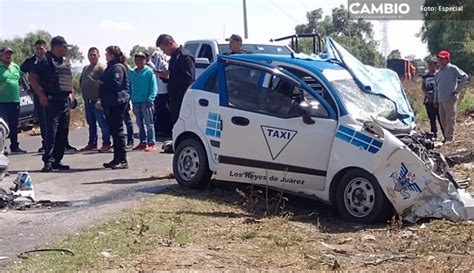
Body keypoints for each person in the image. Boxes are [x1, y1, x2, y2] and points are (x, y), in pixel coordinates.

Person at [29, 36, 75, 172]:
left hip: (63, 102)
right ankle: (48, 162)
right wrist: (41, 95)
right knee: (51, 133)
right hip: (50, 102)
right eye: (64, 47)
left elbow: (68, 79)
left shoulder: (64, 62)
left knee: (63, 133)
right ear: (56, 47)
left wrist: (71, 94)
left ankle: (57, 161)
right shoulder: (44, 61)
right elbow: (32, 78)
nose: (66, 49)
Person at [100, 46, 130, 169]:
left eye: (107, 53)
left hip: (117, 102)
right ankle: (116, 158)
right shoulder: (111, 67)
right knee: (114, 131)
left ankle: (122, 160)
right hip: (110, 102)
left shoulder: (117, 67)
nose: (105, 55)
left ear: (112, 54)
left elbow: (115, 84)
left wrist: (101, 83)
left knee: (118, 131)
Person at [155, 34, 195, 128]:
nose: (164, 52)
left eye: (163, 49)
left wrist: (170, 75)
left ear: (169, 44)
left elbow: (188, 78)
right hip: (174, 98)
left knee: (183, 126)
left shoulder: (184, 56)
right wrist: (165, 76)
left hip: (182, 99)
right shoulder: (174, 57)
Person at [79, 47, 111, 153]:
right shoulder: (85, 68)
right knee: (91, 124)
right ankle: (92, 143)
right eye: (90, 55)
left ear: (98, 56)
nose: (92, 57)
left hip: (98, 102)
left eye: (94, 55)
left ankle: (106, 143)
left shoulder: (102, 68)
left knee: (102, 123)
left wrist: (101, 98)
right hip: (87, 101)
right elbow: (81, 82)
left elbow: (106, 84)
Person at [434, 50, 468, 143]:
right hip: (440, 99)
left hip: (450, 99)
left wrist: (457, 91)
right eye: (439, 58)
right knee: (443, 119)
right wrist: (435, 99)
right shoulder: (437, 73)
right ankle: (446, 137)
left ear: (447, 60)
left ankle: (449, 138)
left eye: (442, 59)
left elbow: (464, 77)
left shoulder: (453, 69)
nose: (440, 60)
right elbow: (436, 87)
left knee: (450, 119)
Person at [20, 39, 48, 152]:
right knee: (42, 119)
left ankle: (60, 143)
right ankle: (45, 143)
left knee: (54, 120)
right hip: (37, 95)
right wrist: (26, 88)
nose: (40, 51)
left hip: (51, 94)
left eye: (42, 49)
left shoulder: (50, 60)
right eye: (37, 49)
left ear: (46, 49)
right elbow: (19, 73)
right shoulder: (30, 61)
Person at [0, 47, 27, 154]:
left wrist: (29, 91)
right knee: (3, 126)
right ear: (1, 55)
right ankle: (2, 148)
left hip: (15, 101)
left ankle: (14, 146)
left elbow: (21, 81)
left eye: (10, 54)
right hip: (2, 102)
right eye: (6, 53)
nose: (8, 56)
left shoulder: (16, 67)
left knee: (14, 125)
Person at [129, 52, 158, 151]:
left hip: (146, 102)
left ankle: (151, 143)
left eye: (142, 59)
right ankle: (142, 142)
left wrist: (150, 99)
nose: (139, 61)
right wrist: (130, 100)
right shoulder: (132, 73)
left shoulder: (149, 72)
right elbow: (129, 87)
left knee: (149, 123)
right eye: (137, 59)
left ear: (145, 61)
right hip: (136, 102)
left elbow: (154, 87)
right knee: (140, 124)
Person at [421, 57, 443, 139]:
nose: (430, 66)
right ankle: (434, 134)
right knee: (432, 119)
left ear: (435, 65)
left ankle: (445, 134)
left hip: (438, 99)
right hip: (428, 100)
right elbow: (423, 87)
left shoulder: (438, 74)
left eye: (431, 64)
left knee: (441, 118)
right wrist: (427, 95)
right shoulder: (425, 76)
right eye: (428, 64)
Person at [151, 49, 172, 137]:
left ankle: (164, 129)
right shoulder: (155, 65)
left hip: (162, 91)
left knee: (162, 111)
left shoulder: (163, 64)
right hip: (159, 91)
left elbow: (165, 76)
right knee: (160, 111)